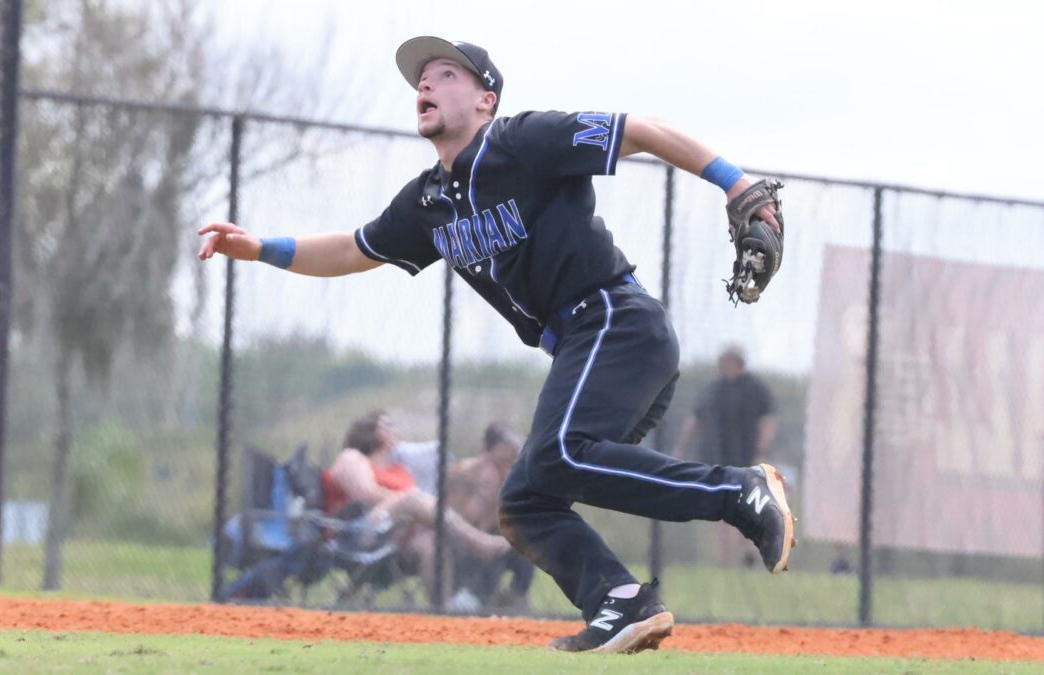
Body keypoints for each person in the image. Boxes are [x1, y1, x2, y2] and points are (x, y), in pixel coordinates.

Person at [198, 36, 794, 654]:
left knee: (561, 454)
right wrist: (259, 248)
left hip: (616, 321)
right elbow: (353, 248)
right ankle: (620, 602)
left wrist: (738, 186)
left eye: (444, 74)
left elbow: (642, 130)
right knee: (525, 500)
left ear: (486, 99)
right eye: (421, 78)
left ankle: (738, 491)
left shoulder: (521, 141)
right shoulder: (429, 203)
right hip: (581, 344)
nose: (425, 84)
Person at [322, 409, 511, 602]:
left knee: (430, 544)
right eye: (388, 424)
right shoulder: (352, 457)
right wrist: (410, 505)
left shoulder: (398, 469)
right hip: (356, 534)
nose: (395, 429)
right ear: (368, 429)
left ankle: (446, 610)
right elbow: (365, 493)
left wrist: (416, 514)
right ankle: (480, 543)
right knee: (413, 498)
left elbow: (414, 507)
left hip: (396, 539)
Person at [672, 345, 778, 567]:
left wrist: (762, 451)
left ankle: (748, 552)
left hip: (748, 458)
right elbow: (695, 419)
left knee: (749, 506)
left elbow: (768, 420)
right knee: (723, 509)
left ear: (738, 363)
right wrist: (681, 447)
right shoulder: (714, 389)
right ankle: (725, 561)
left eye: (726, 362)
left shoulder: (754, 388)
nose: (722, 367)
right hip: (719, 459)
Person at [446, 422, 534, 611]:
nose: (505, 470)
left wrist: (498, 497)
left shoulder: (509, 481)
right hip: (459, 542)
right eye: (500, 462)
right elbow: (458, 520)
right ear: (486, 451)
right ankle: (468, 601)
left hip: (494, 542)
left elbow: (509, 523)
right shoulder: (460, 474)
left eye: (511, 463)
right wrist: (484, 496)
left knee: (523, 547)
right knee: (495, 549)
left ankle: (513, 598)